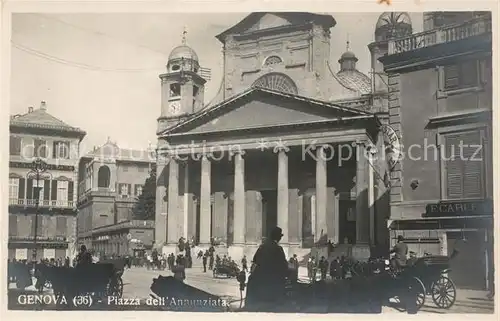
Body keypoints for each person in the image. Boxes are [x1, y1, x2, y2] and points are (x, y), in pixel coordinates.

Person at [245, 226, 289, 312]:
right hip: (273, 281)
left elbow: (255, 262)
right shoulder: (278, 249)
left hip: (259, 279)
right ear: (278, 237)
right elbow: (284, 266)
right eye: (280, 236)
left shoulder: (262, 247)